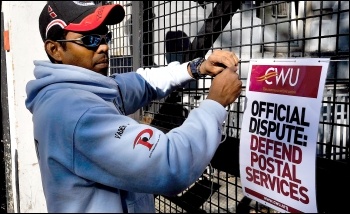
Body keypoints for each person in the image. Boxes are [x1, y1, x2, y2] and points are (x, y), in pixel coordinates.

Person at [25, 1, 242, 213]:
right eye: (90, 39)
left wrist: (196, 67)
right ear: (55, 49)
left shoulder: (80, 91)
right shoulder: (75, 112)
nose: (103, 46)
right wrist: (215, 104)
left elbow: (142, 82)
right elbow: (171, 165)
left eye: (105, 36)